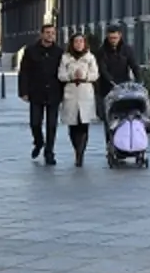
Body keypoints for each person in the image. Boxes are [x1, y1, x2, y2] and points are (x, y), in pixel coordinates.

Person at [18, 24, 63, 165]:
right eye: (48, 33)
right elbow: (24, 72)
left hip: (54, 92)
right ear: (42, 34)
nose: (50, 35)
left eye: (53, 33)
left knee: (52, 125)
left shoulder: (59, 51)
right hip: (36, 92)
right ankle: (38, 142)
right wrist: (23, 91)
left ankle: (49, 152)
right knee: (35, 123)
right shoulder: (31, 50)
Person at [58, 33, 99, 167]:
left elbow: (95, 74)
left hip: (85, 92)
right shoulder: (66, 58)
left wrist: (84, 75)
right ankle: (76, 149)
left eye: (81, 41)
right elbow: (61, 75)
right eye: (76, 42)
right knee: (73, 124)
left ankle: (81, 154)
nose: (79, 44)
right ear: (72, 43)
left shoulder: (90, 57)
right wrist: (71, 75)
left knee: (84, 124)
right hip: (71, 92)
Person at [95, 26, 141, 125]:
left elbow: (134, 65)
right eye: (111, 38)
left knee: (124, 114)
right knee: (108, 117)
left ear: (120, 36)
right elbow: (102, 69)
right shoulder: (102, 51)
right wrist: (111, 81)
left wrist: (139, 80)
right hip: (107, 87)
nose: (113, 41)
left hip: (124, 86)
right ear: (107, 37)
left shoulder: (127, 49)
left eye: (115, 38)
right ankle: (109, 137)